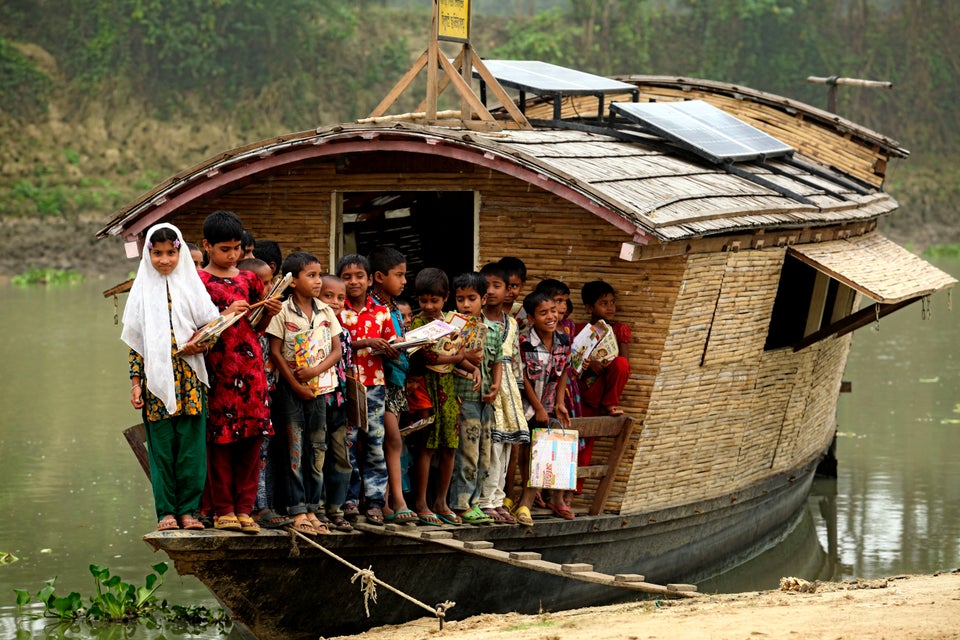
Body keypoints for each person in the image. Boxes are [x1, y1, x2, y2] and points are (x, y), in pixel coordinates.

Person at [122, 223, 221, 531]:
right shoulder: (141, 292)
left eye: (170, 253)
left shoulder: (191, 287)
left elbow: (213, 329)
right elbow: (137, 343)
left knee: (191, 451)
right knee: (163, 451)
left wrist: (198, 343)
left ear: (179, 252)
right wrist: (136, 384)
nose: (164, 260)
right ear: (148, 255)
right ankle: (166, 512)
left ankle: (189, 512)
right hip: (155, 383)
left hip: (190, 380)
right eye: (156, 253)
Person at [199, 210, 282, 534]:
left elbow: (257, 326)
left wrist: (269, 311)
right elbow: (194, 328)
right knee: (221, 442)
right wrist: (224, 314)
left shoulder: (249, 279)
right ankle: (222, 510)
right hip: (218, 369)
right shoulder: (197, 281)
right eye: (225, 249)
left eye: (236, 248)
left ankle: (245, 509)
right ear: (207, 245)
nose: (232, 255)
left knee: (251, 440)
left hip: (251, 370)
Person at [267, 252, 342, 536]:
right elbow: (275, 352)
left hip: (320, 388)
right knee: (294, 450)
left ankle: (314, 507)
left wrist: (313, 373)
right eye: (311, 275)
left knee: (317, 449)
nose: (317, 281)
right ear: (293, 280)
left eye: (319, 275)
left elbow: (336, 350)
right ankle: (297, 509)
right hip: (290, 391)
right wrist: (297, 384)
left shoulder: (326, 311)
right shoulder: (283, 311)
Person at [409, 268, 478, 526]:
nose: (428, 306)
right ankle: (421, 502)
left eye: (434, 300)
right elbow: (429, 357)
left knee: (449, 447)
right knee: (427, 446)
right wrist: (461, 359)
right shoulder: (417, 325)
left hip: (448, 389)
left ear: (445, 298)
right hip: (426, 387)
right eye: (423, 300)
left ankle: (441, 501)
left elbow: (457, 352)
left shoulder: (452, 324)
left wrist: (474, 370)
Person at [336, 253, 396, 525]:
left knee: (374, 443)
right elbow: (337, 343)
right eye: (347, 277)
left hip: (374, 386)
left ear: (370, 280)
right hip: (346, 386)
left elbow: (390, 343)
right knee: (347, 444)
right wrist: (364, 342)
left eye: (359, 276)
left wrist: (394, 348)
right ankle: (348, 500)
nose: (353, 282)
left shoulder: (382, 311)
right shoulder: (336, 310)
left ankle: (374, 502)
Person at [238, 256, 290, 529]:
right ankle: (256, 507)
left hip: (267, 392)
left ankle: (264, 504)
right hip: (246, 396)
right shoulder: (243, 318)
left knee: (265, 451)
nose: (271, 288)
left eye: (272, 281)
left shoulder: (270, 315)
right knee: (254, 452)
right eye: (265, 283)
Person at [449, 272, 502, 525]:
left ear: (483, 299)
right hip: (463, 398)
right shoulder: (452, 328)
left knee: (484, 454)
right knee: (466, 453)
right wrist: (465, 355)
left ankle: (476, 502)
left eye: (472, 298)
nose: (466, 305)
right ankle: (460, 504)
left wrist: (497, 386)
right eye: (461, 299)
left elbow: (498, 361)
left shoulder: (493, 330)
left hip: (486, 401)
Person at [515, 290, 572, 527]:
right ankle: (522, 503)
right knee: (527, 454)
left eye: (553, 311)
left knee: (543, 455)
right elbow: (523, 378)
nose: (551, 316)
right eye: (543, 313)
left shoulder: (563, 340)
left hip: (549, 406)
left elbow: (563, 372)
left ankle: (529, 503)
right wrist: (538, 408)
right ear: (531, 318)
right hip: (527, 407)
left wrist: (559, 404)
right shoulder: (524, 341)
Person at [367, 248, 416, 523]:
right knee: (389, 439)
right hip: (379, 381)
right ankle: (393, 499)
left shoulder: (394, 306)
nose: (404, 281)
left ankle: (389, 500)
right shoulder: (373, 307)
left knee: (390, 441)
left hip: (396, 381)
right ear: (378, 276)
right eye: (399, 275)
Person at [477, 261, 524, 525]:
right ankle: (485, 501)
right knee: (490, 445)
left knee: (505, 446)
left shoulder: (512, 324)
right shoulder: (476, 320)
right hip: (486, 385)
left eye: (498, 286)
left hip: (508, 392)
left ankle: (497, 498)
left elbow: (515, 361)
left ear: (508, 290)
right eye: (487, 286)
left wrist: (516, 395)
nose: (492, 291)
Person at [319, 274, 355, 531]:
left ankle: (336, 508)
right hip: (318, 402)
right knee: (317, 455)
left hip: (340, 405)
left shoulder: (345, 334)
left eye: (340, 298)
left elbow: (350, 370)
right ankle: (317, 507)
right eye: (328, 296)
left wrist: (354, 405)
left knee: (341, 457)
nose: (335, 302)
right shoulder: (312, 331)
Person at [578, 280, 630, 417]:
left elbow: (624, 364)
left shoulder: (619, 330)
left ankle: (610, 404)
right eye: (603, 303)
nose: (610, 307)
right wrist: (590, 364)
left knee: (621, 363)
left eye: (612, 302)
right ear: (589, 308)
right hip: (584, 385)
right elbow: (573, 358)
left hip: (606, 382)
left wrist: (607, 364)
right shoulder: (581, 330)